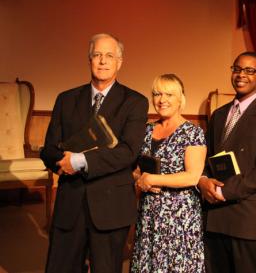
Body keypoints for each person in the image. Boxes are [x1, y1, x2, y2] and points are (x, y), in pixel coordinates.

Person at [40, 33, 149, 273]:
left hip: (111, 207)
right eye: (97, 55)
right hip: (70, 204)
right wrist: (61, 160)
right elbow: (48, 149)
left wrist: (78, 160)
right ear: (89, 60)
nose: (102, 61)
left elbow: (128, 152)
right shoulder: (66, 99)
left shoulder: (135, 102)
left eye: (109, 55)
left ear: (119, 62)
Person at [197, 51, 256, 273]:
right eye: (237, 69)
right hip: (216, 218)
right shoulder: (219, 115)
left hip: (249, 221)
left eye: (250, 70)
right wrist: (203, 180)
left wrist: (224, 191)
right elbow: (208, 160)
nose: (241, 75)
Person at [130, 74, 206, 272]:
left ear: (181, 98)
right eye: (157, 94)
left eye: (169, 94)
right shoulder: (146, 130)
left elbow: (192, 176)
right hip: (148, 215)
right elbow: (137, 170)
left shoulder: (192, 132)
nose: (162, 100)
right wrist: (139, 179)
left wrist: (154, 179)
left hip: (179, 218)